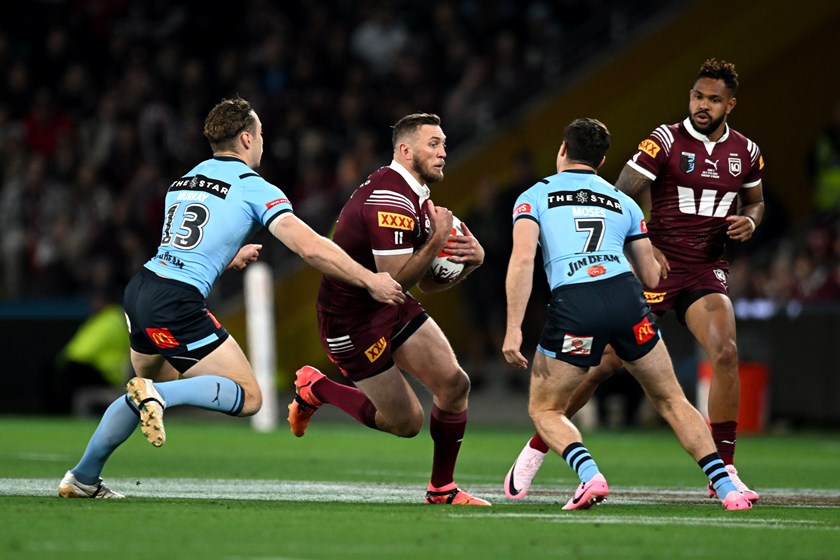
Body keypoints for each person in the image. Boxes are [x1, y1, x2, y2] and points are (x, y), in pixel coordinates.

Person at [58, 97, 405, 498]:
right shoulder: (253, 187)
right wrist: (369, 280)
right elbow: (308, 246)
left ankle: (84, 476)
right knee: (249, 396)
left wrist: (226, 256)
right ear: (246, 138)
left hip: (142, 291)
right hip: (176, 302)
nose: (262, 142)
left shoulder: (183, 181)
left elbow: (183, 248)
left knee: (144, 384)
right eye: (260, 135)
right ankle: (157, 399)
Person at [505, 59, 764, 504]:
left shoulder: (748, 151)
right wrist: (644, 241)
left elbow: (756, 202)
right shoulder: (664, 139)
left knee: (725, 351)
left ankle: (725, 468)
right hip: (656, 266)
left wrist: (751, 222)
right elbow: (620, 192)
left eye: (713, 100)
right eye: (697, 96)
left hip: (703, 267)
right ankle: (536, 448)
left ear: (730, 104)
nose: (702, 106)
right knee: (601, 368)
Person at [286, 113, 491, 506]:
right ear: (405, 149)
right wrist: (439, 241)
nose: (443, 153)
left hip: (389, 303)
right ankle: (318, 388)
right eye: (433, 144)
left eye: (444, 144)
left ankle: (442, 489)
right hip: (351, 321)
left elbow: (426, 283)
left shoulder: (415, 195)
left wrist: (472, 260)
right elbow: (395, 279)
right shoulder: (390, 199)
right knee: (406, 423)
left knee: (454, 384)